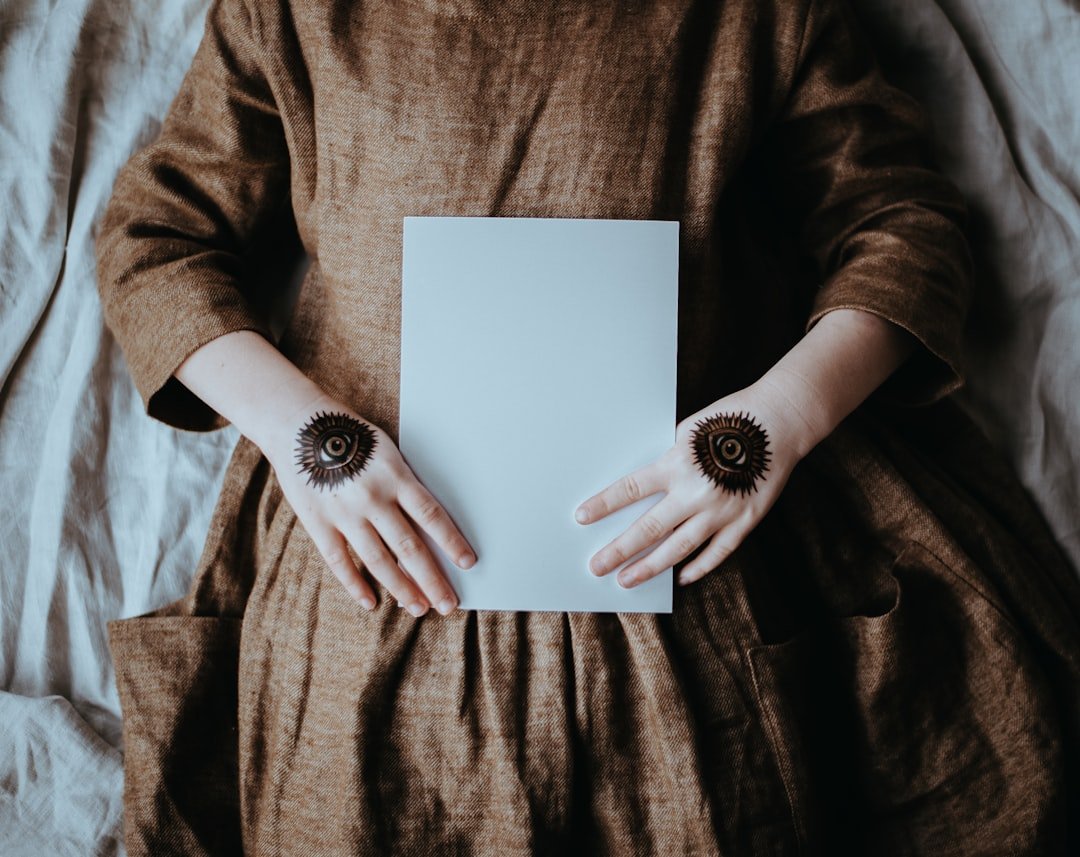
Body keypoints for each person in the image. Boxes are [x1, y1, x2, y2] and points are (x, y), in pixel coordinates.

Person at [95, 0, 1080, 853]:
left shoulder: (756, 14)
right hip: (370, 578)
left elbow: (904, 225)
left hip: (686, 556)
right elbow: (155, 239)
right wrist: (307, 437)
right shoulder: (292, 13)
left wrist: (771, 422)